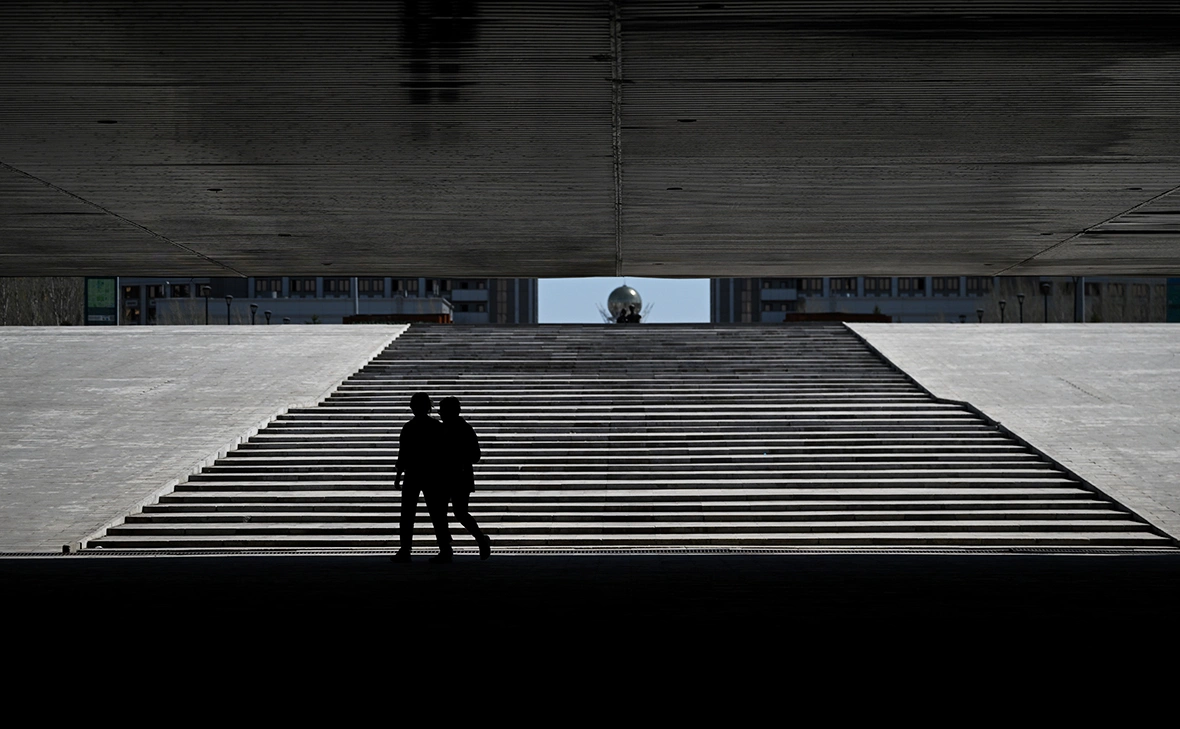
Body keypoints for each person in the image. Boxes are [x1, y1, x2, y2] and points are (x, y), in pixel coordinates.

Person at [390, 392, 452, 563]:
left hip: (413, 474)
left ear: (412, 407)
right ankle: (445, 548)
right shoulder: (437, 427)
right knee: (437, 513)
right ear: (429, 407)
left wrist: (398, 476)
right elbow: (444, 453)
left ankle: (405, 549)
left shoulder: (409, 427)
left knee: (407, 513)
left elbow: (402, 455)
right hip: (433, 475)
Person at [439, 396, 491, 560]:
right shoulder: (447, 429)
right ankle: (447, 547)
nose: (441, 414)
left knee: (457, 512)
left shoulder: (462, 429)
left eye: (444, 410)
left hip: (457, 477)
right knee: (452, 512)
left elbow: (475, 455)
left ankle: (479, 539)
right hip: (449, 477)